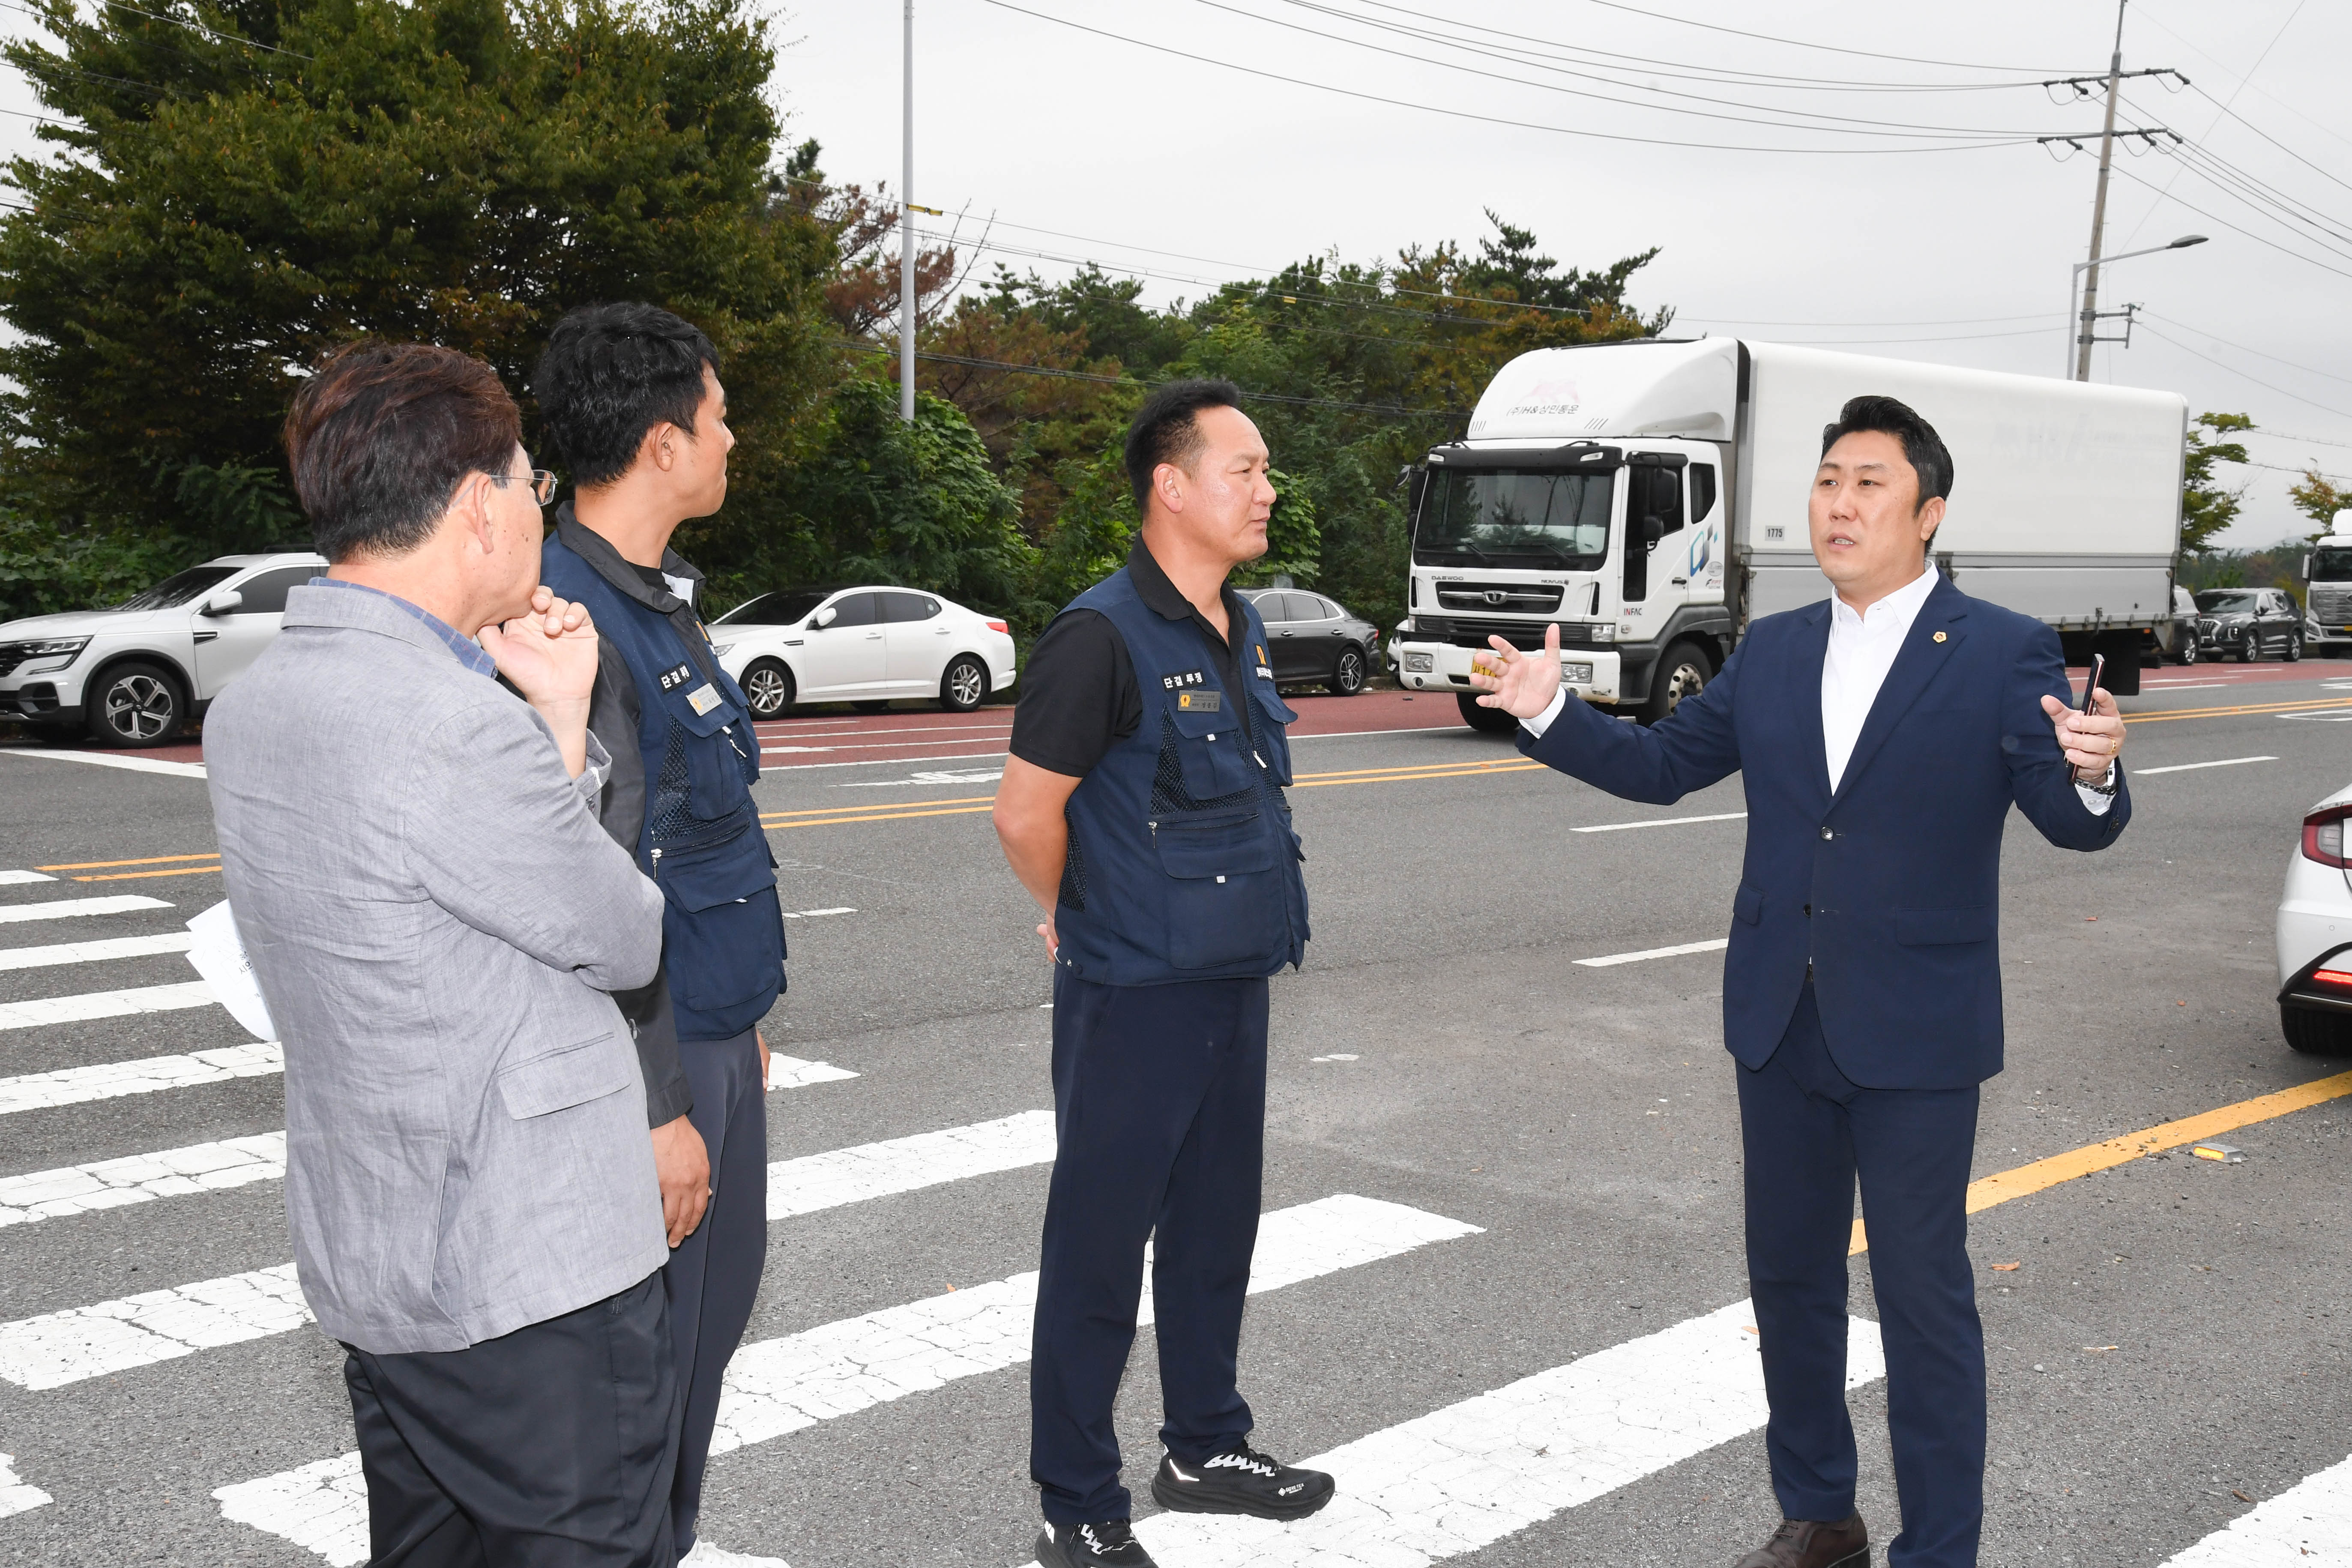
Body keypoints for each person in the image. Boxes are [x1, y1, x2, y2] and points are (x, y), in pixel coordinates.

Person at [1469, 395, 2130, 1568]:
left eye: (1868, 483)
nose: (1838, 502)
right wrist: (1550, 709)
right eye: (1827, 480)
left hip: (1917, 1029)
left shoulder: (1998, 648)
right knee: (1787, 1276)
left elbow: (2064, 816)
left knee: (1924, 1301)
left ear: (1926, 513)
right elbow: (1664, 763)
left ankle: (1939, 1550)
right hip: (1779, 1014)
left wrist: (2090, 772)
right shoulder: (1772, 645)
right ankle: (1819, 1512)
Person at [206, 341, 680, 1566]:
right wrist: (558, 721)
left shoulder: (261, 702)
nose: (536, 507)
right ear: (478, 505)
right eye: (529, 485)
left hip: (385, 1249)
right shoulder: (451, 721)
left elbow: (482, 898)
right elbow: (621, 935)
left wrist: (553, 721)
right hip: (529, 1271)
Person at [992, 379, 1332, 1568]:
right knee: (1097, 1248)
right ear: (1169, 485)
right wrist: (1068, 911)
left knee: (1211, 1230)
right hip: (1133, 990)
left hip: (1231, 979)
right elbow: (1026, 811)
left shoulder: (1237, 626)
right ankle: (1076, 1500)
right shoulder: (1099, 635)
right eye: (1242, 468)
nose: (1265, 488)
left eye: (1265, 467)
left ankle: (1202, 1444)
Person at [533, 302, 788, 1568]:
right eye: (720, 411)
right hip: (655, 1063)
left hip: (711, 1034)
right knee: (647, 1378)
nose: (733, 434)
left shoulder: (655, 600)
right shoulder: (566, 623)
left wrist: (737, 1035)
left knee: (705, 1338)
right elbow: (592, 893)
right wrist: (661, 1103)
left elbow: (699, 840)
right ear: (660, 440)